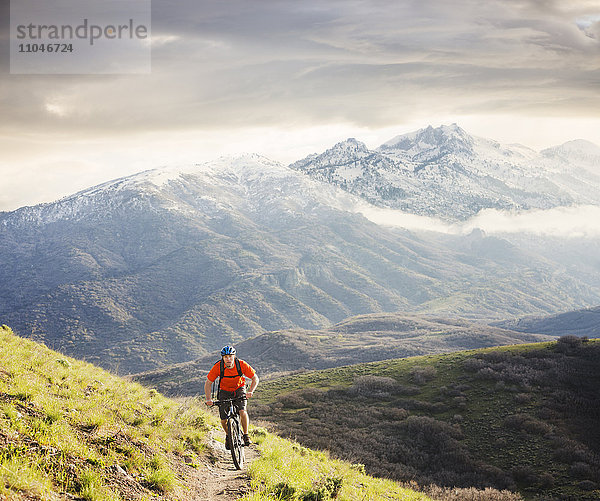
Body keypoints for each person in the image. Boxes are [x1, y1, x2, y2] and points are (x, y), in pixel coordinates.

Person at [205, 345, 259, 447]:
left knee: (242, 411)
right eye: (226, 357)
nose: (228, 359)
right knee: (223, 419)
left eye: (230, 356)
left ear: (234, 356)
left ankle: (246, 435)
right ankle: (228, 435)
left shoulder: (241, 364)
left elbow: (255, 378)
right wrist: (208, 399)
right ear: (222, 358)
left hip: (239, 389)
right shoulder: (218, 366)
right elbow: (208, 383)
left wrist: (250, 391)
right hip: (224, 391)